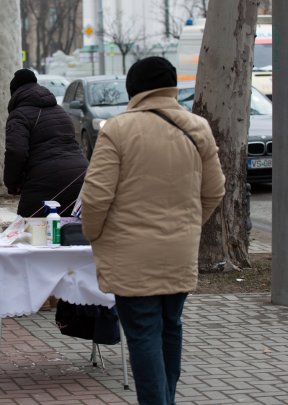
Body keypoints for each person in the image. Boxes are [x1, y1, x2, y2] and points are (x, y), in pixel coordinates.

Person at [80, 57, 225, 405]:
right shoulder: (198, 128)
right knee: (170, 326)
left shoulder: (117, 129)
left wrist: (93, 234)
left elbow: (96, 197)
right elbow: (215, 190)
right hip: (179, 253)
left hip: (130, 258)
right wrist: (188, 227)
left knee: (144, 333)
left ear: (135, 89)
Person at [4, 68, 88, 217]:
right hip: (81, 176)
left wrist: (12, 184)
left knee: (27, 230)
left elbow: (16, 152)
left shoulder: (19, 115)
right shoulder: (60, 111)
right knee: (70, 231)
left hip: (44, 182)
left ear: (15, 93)